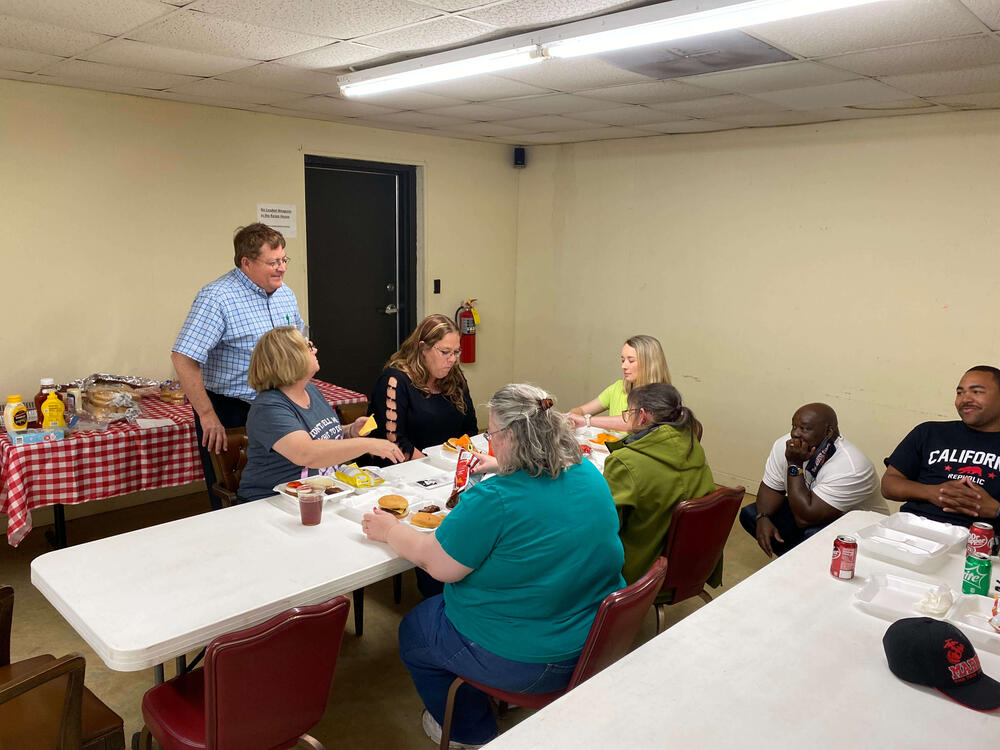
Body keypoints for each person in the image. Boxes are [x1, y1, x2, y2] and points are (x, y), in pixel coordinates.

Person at [362, 384, 624, 748]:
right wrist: (503, 465)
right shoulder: (589, 475)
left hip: (532, 661)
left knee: (415, 631)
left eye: (493, 434)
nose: (489, 443)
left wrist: (391, 529)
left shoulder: (495, 498)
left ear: (514, 436)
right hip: (597, 640)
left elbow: (435, 563)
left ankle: (470, 733)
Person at [172, 223, 303, 509]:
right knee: (240, 497)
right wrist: (206, 415)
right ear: (246, 262)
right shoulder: (217, 298)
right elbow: (183, 358)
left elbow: (299, 342)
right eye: (272, 262)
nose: (281, 268)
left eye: (284, 260)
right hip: (232, 410)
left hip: (280, 405)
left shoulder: (285, 294)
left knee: (285, 490)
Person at [238, 327, 403, 502]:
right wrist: (368, 444)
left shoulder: (309, 388)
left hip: (319, 495)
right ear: (291, 358)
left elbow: (318, 435)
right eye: (308, 347)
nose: (315, 350)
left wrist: (349, 431)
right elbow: (306, 454)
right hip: (272, 502)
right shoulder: (268, 407)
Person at [603, 383, 716, 587]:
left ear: (643, 415)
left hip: (641, 571)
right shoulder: (693, 447)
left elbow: (607, 527)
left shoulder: (626, 462)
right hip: (689, 565)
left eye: (629, 412)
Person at [739, 403, 887, 557]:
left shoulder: (851, 466)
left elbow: (805, 518)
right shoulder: (785, 446)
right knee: (751, 514)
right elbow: (771, 488)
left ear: (828, 431)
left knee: (812, 534)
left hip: (860, 533)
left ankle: (808, 564)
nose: (795, 434)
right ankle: (797, 560)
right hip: (811, 510)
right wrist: (763, 517)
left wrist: (794, 464)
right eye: (794, 426)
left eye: (804, 429)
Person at [882, 366, 1000, 532]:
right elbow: (889, 485)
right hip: (912, 530)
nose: (965, 399)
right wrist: (932, 493)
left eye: (976, 392)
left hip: (978, 542)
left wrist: (996, 510)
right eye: (960, 393)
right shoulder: (929, 432)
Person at [368, 314, 479, 462]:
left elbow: (470, 429)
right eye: (445, 352)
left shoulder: (454, 376)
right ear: (423, 348)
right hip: (404, 469)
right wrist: (433, 465)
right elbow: (394, 443)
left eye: (456, 352)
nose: (452, 359)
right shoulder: (395, 380)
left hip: (448, 465)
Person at [568, 335, 671, 432]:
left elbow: (631, 422)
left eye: (631, 361)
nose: (624, 366)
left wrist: (587, 421)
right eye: (623, 360)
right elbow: (582, 410)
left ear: (649, 364)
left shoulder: (663, 398)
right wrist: (572, 417)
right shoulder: (618, 387)